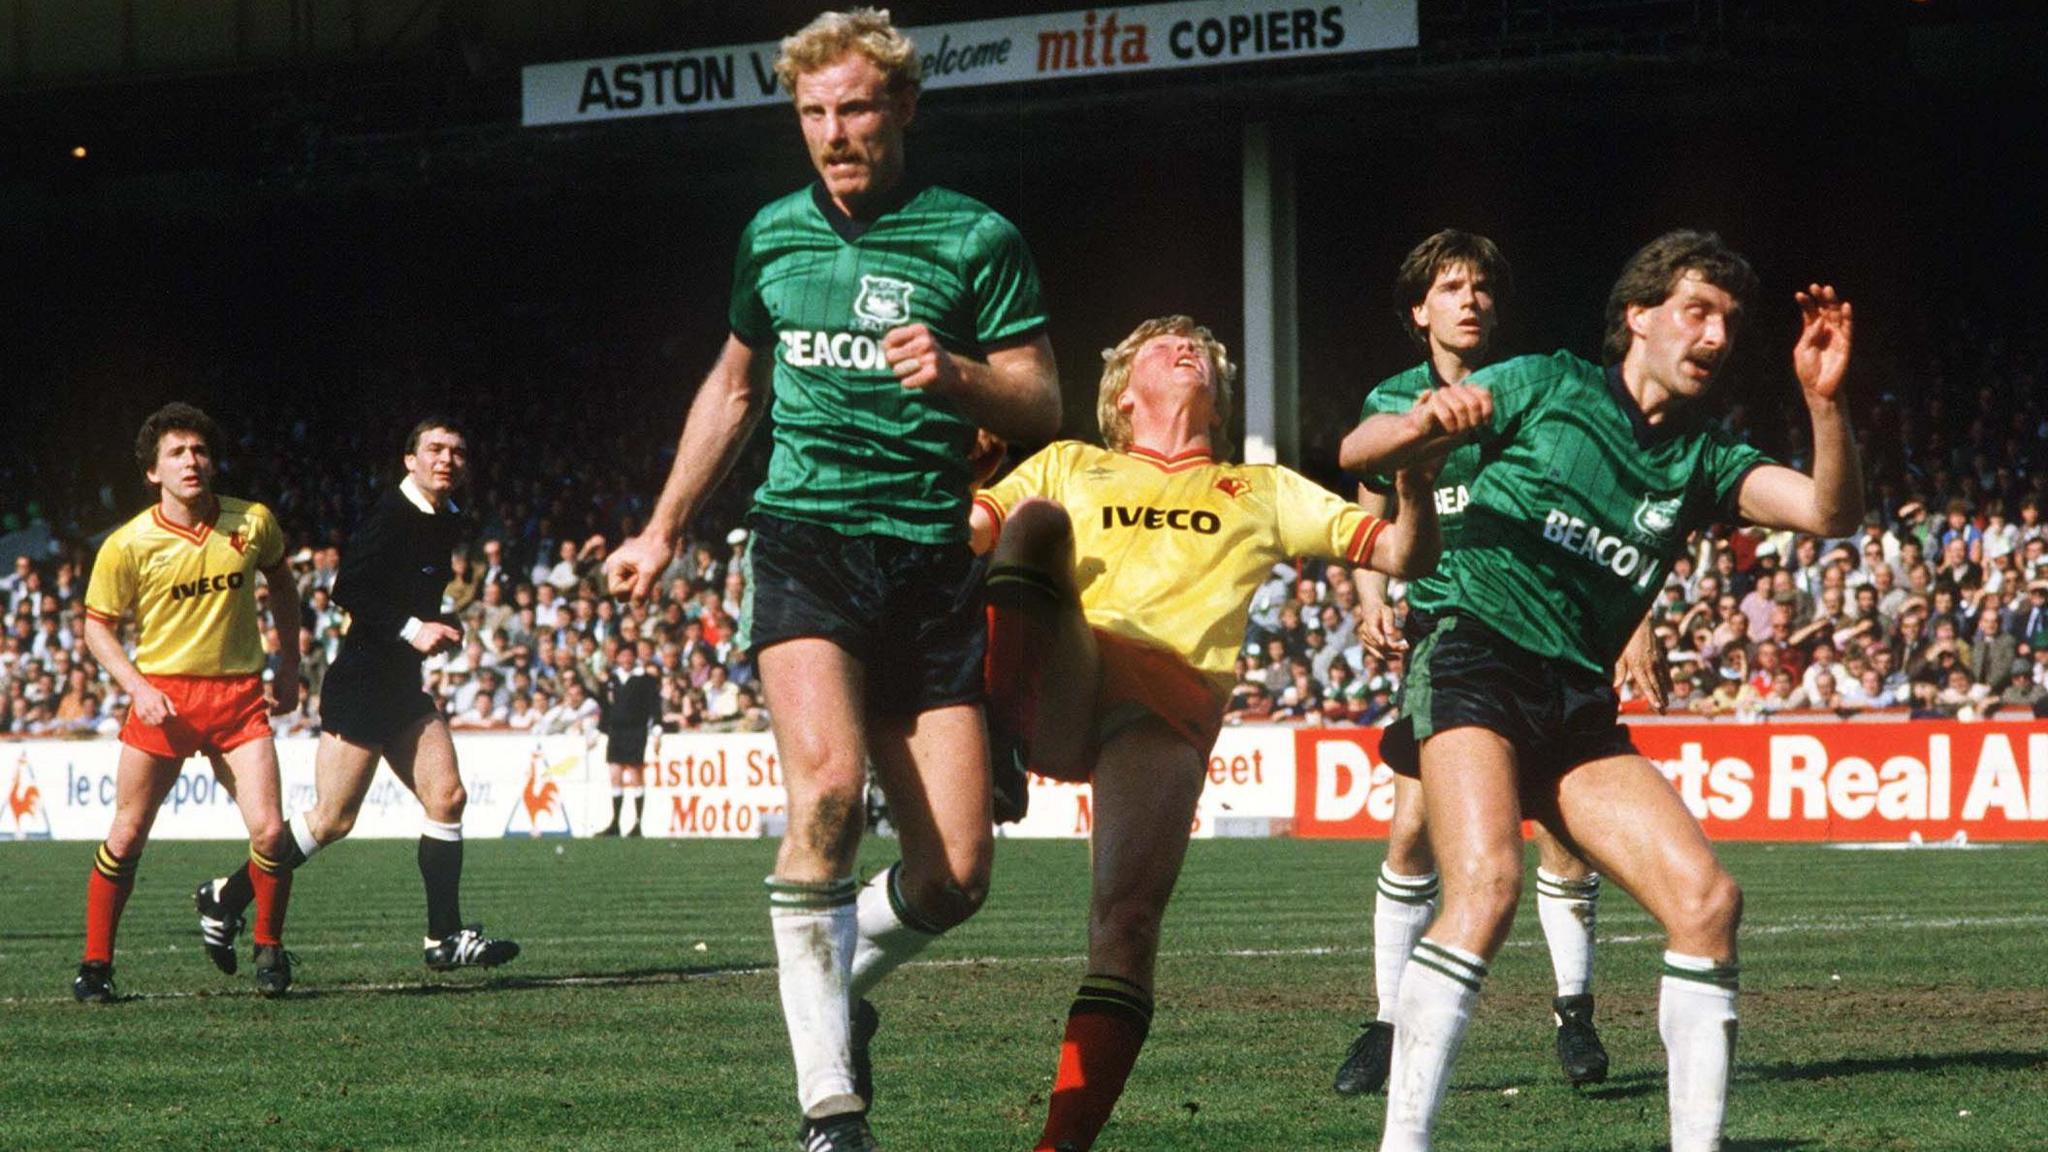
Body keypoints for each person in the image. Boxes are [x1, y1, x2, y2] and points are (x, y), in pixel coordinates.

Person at [602, 10, 1059, 1150]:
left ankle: (833, 982)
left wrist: (955, 376)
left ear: (902, 108)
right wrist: (661, 529)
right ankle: (829, 1107)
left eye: (854, 108)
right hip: (804, 539)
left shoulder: (975, 239)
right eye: (812, 113)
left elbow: (1043, 403)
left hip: (927, 564)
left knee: (954, 876)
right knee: (826, 795)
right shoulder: (770, 237)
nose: (832, 133)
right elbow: (732, 387)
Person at [1341, 230, 1859, 1152]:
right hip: (1476, 658)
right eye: (1697, 312)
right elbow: (1357, 447)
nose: (1716, 335)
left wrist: (1823, 401)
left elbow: (1829, 512)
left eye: (1729, 323)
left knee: (1707, 902)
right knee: (1488, 885)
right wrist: (1424, 430)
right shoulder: (1548, 384)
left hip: (1576, 699)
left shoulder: (1704, 456)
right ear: (1639, 317)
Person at [971, 314, 1452, 1152]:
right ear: (1124, 393)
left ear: (1223, 398)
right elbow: (966, 535)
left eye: (1202, 349)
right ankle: (998, 753)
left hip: (1163, 711)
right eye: (1162, 343)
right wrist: (951, 473)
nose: (1188, 346)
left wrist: (1413, 477)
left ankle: (1058, 1147)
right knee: (1035, 524)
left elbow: (1406, 558)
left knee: (1125, 929)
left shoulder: (1259, 489)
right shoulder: (1073, 462)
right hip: (1067, 677)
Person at [1335, 230, 1642, 1096]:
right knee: (1411, 832)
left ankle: (1573, 1011)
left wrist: (1639, 623)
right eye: (1451, 287)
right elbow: (1367, 518)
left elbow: (1605, 509)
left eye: (1482, 288)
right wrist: (1369, 601)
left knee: (1566, 839)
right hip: (1447, 639)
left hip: (1551, 633)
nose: (1470, 300)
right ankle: (1391, 1023)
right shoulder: (1391, 401)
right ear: (1418, 311)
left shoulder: (1539, 392)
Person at [197, 418, 519, 976]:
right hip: (364, 686)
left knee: (449, 798)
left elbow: (406, 591)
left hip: (401, 685)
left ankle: (443, 939)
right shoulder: (391, 514)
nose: (447, 460)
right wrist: (413, 628)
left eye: (457, 452)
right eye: (435, 450)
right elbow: (349, 588)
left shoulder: (447, 518)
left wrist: (437, 620)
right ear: (409, 460)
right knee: (331, 821)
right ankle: (225, 897)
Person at [77, 402, 303, 999]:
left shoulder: (251, 521)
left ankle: (270, 950)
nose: (191, 461)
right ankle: (96, 966)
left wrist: (291, 664)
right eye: (176, 453)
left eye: (199, 450)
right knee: (126, 836)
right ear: (153, 472)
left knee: (272, 833)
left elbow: (282, 581)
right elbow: (96, 626)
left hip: (237, 698)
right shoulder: (128, 544)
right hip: (165, 701)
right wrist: (139, 688)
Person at [596, 641, 660, 836]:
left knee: (635, 775)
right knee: (615, 775)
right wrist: (599, 730)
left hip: (636, 731)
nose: (626, 659)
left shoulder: (645, 679)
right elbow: (605, 708)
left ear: (634, 657)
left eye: (629, 655)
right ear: (617, 658)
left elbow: (654, 706)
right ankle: (615, 823)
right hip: (616, 732)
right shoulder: (611, 680)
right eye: (622, 655)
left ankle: (638, 823)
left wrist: (657, 730)